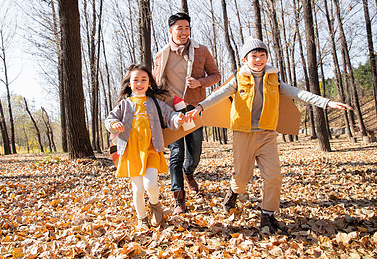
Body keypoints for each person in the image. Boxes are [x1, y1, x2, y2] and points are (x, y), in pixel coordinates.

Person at [186, 36, 353, 234]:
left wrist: (326, 102)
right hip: (243, 134)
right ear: (245, 60)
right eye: (254, 56)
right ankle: (233, 193)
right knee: (241, 178)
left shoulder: (274, 78)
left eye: (262, 55)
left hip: (267, 135)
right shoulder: (238, 78)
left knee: (273, 176)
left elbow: (298, 93)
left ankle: (267, 216)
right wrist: (200, 107)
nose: (258, 59)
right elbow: (218, 94)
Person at [153, 12, 221, 214]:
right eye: (179, 28)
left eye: (187, 28)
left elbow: (216, 75)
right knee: (176, 153)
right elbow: (156, 84)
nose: (184, 32)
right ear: (171, 31)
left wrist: (200, 83)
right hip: (172, 111)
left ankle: (188, 172)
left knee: (195, 150)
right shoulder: (162, 55)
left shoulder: (201, 51)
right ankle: (178, 198)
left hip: (194, 108)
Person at [105, 64, 185, 229]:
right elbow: (109, 119)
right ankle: (142, 218)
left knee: (150, 184)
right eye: (136, 80)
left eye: (144, 80)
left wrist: (178, 119)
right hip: (132, 152)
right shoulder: (124, 105)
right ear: (129, 83)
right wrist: (114, 123)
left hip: (151, 150)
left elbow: (170, 115)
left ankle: (155, 204)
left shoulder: (155, 103)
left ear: (149, 84)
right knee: (138, 189)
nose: (139, 83)